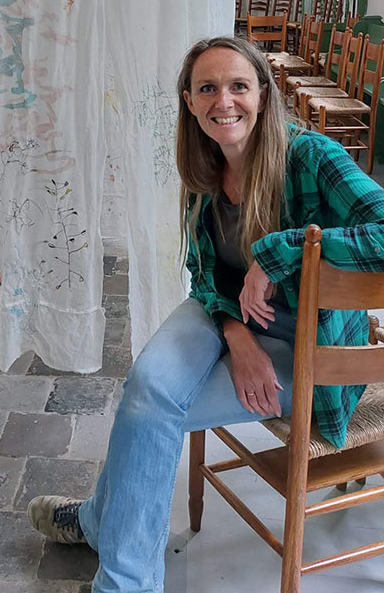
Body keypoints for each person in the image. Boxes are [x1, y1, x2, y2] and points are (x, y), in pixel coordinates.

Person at [27, 35, 384, 593]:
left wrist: (282, 249)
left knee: (151, 411)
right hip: (222, 313)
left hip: (310, 346)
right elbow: (204, 271)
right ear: (189, 101)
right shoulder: (205, 165)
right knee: (148, 385)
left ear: (263, 93)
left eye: (239, 86)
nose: (225, 101)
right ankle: (108, 537)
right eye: (208, 88)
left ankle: (105, 538)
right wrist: (238, 337)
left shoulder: (311, 157)